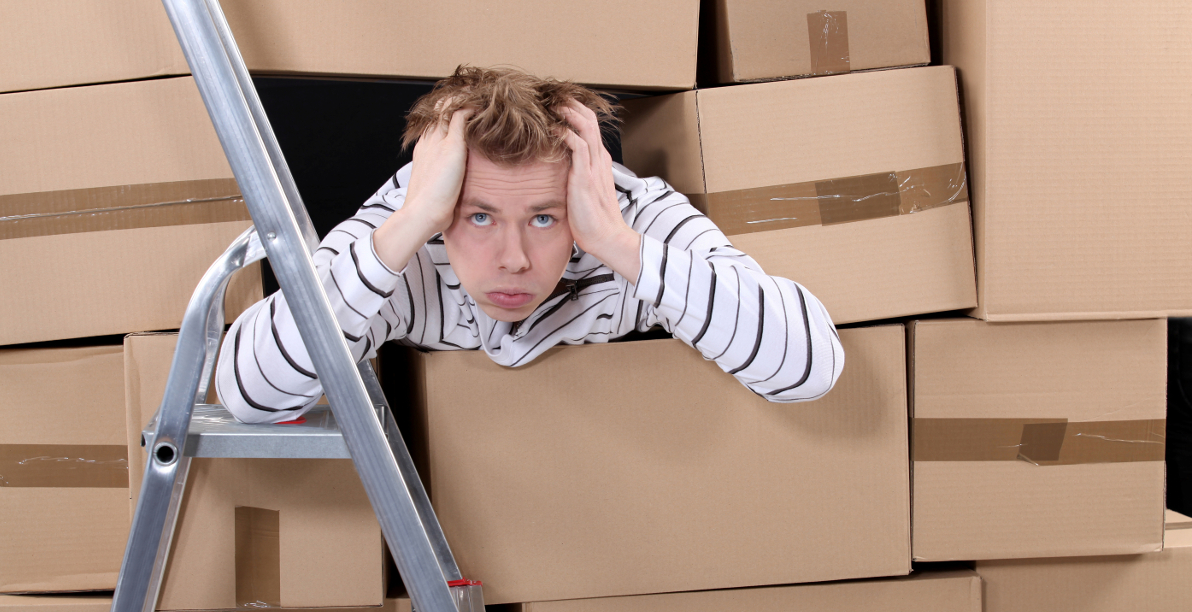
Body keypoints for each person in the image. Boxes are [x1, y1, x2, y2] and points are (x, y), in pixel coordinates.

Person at [217, 66, 844, 424]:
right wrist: (407, 228)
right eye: (480, 217)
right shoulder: (405, 227)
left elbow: (810, 368)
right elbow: (250, 392)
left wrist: (615, 243)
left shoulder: (626, 215)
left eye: (543, 218)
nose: (513, 258)